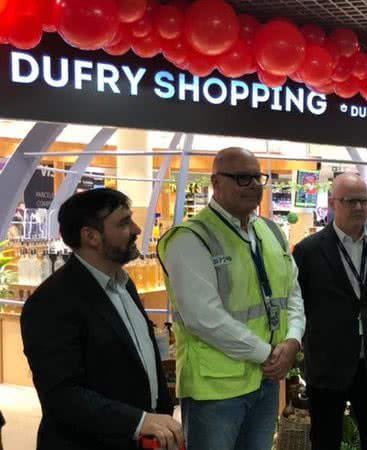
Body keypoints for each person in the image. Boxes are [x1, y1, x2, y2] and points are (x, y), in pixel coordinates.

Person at [157, 147, 305, 450]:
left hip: (265, 381)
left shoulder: (271, 231)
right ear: (216, 182)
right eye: (242, 178)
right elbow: (203, 317)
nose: (253, 186)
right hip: (216, 391)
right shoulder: (190, 238)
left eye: (257, 178)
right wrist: (267, 354)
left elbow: (292, 293)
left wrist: (293, 340)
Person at [20, 188, 181, 450]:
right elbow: (62, 395)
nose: (137, 229)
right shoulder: (50, 302)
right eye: (124, 223)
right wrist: (138, 421)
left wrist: (160, 414)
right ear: (91, 236)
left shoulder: (124, 285)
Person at [293, 173, 367, 450]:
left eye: (363, 200)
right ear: (332, 203)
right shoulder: (308, 251)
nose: (359, 207)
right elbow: (298, 304)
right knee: (325, 440)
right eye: (350, 201)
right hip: (328, 364)